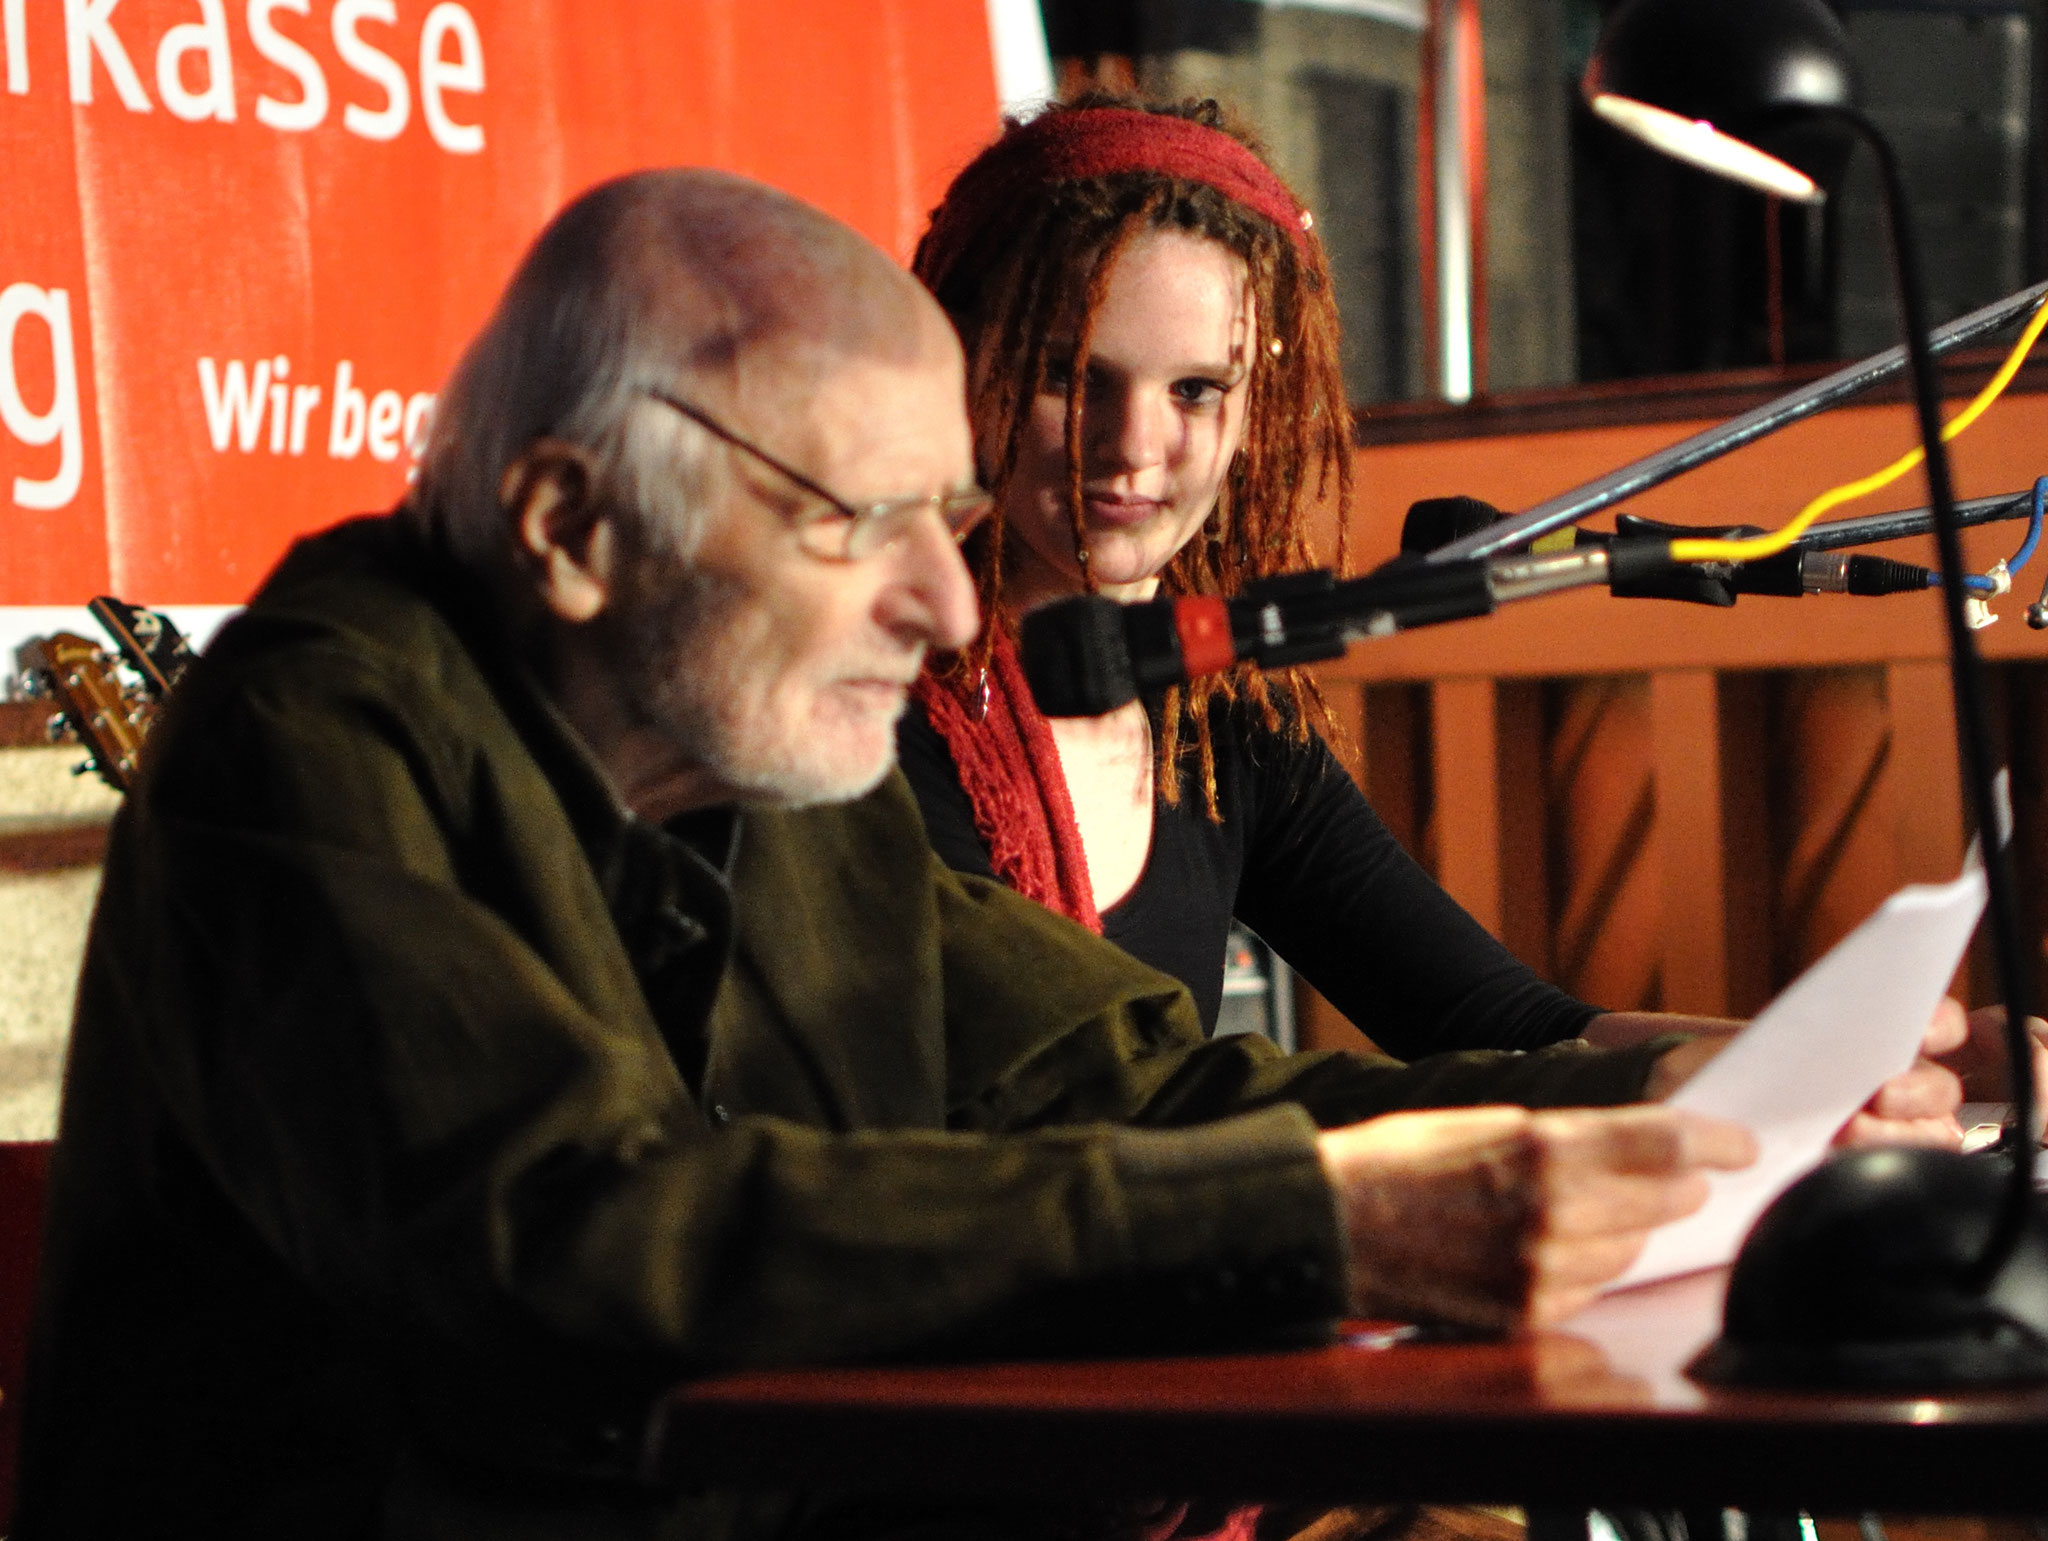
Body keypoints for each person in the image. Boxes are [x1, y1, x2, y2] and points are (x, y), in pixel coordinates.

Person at [28, 165, 1936, 1541]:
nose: (954, 611)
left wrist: (1681, 1096)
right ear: (566, 523)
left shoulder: (764, 765)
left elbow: (1135, 1080)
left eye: (949, 520)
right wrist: (1322, 1227)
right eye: (869, 524)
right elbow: (572, 1245)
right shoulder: (304, 736)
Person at [896, 96, 1706, 1054]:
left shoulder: (1224, 719)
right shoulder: (869, 704)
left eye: (1196, 390)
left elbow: (1494, 1021)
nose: (1133, 449)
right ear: (963, 359)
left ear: (1254, 410)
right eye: (1071, 378)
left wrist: (1800, 1066)